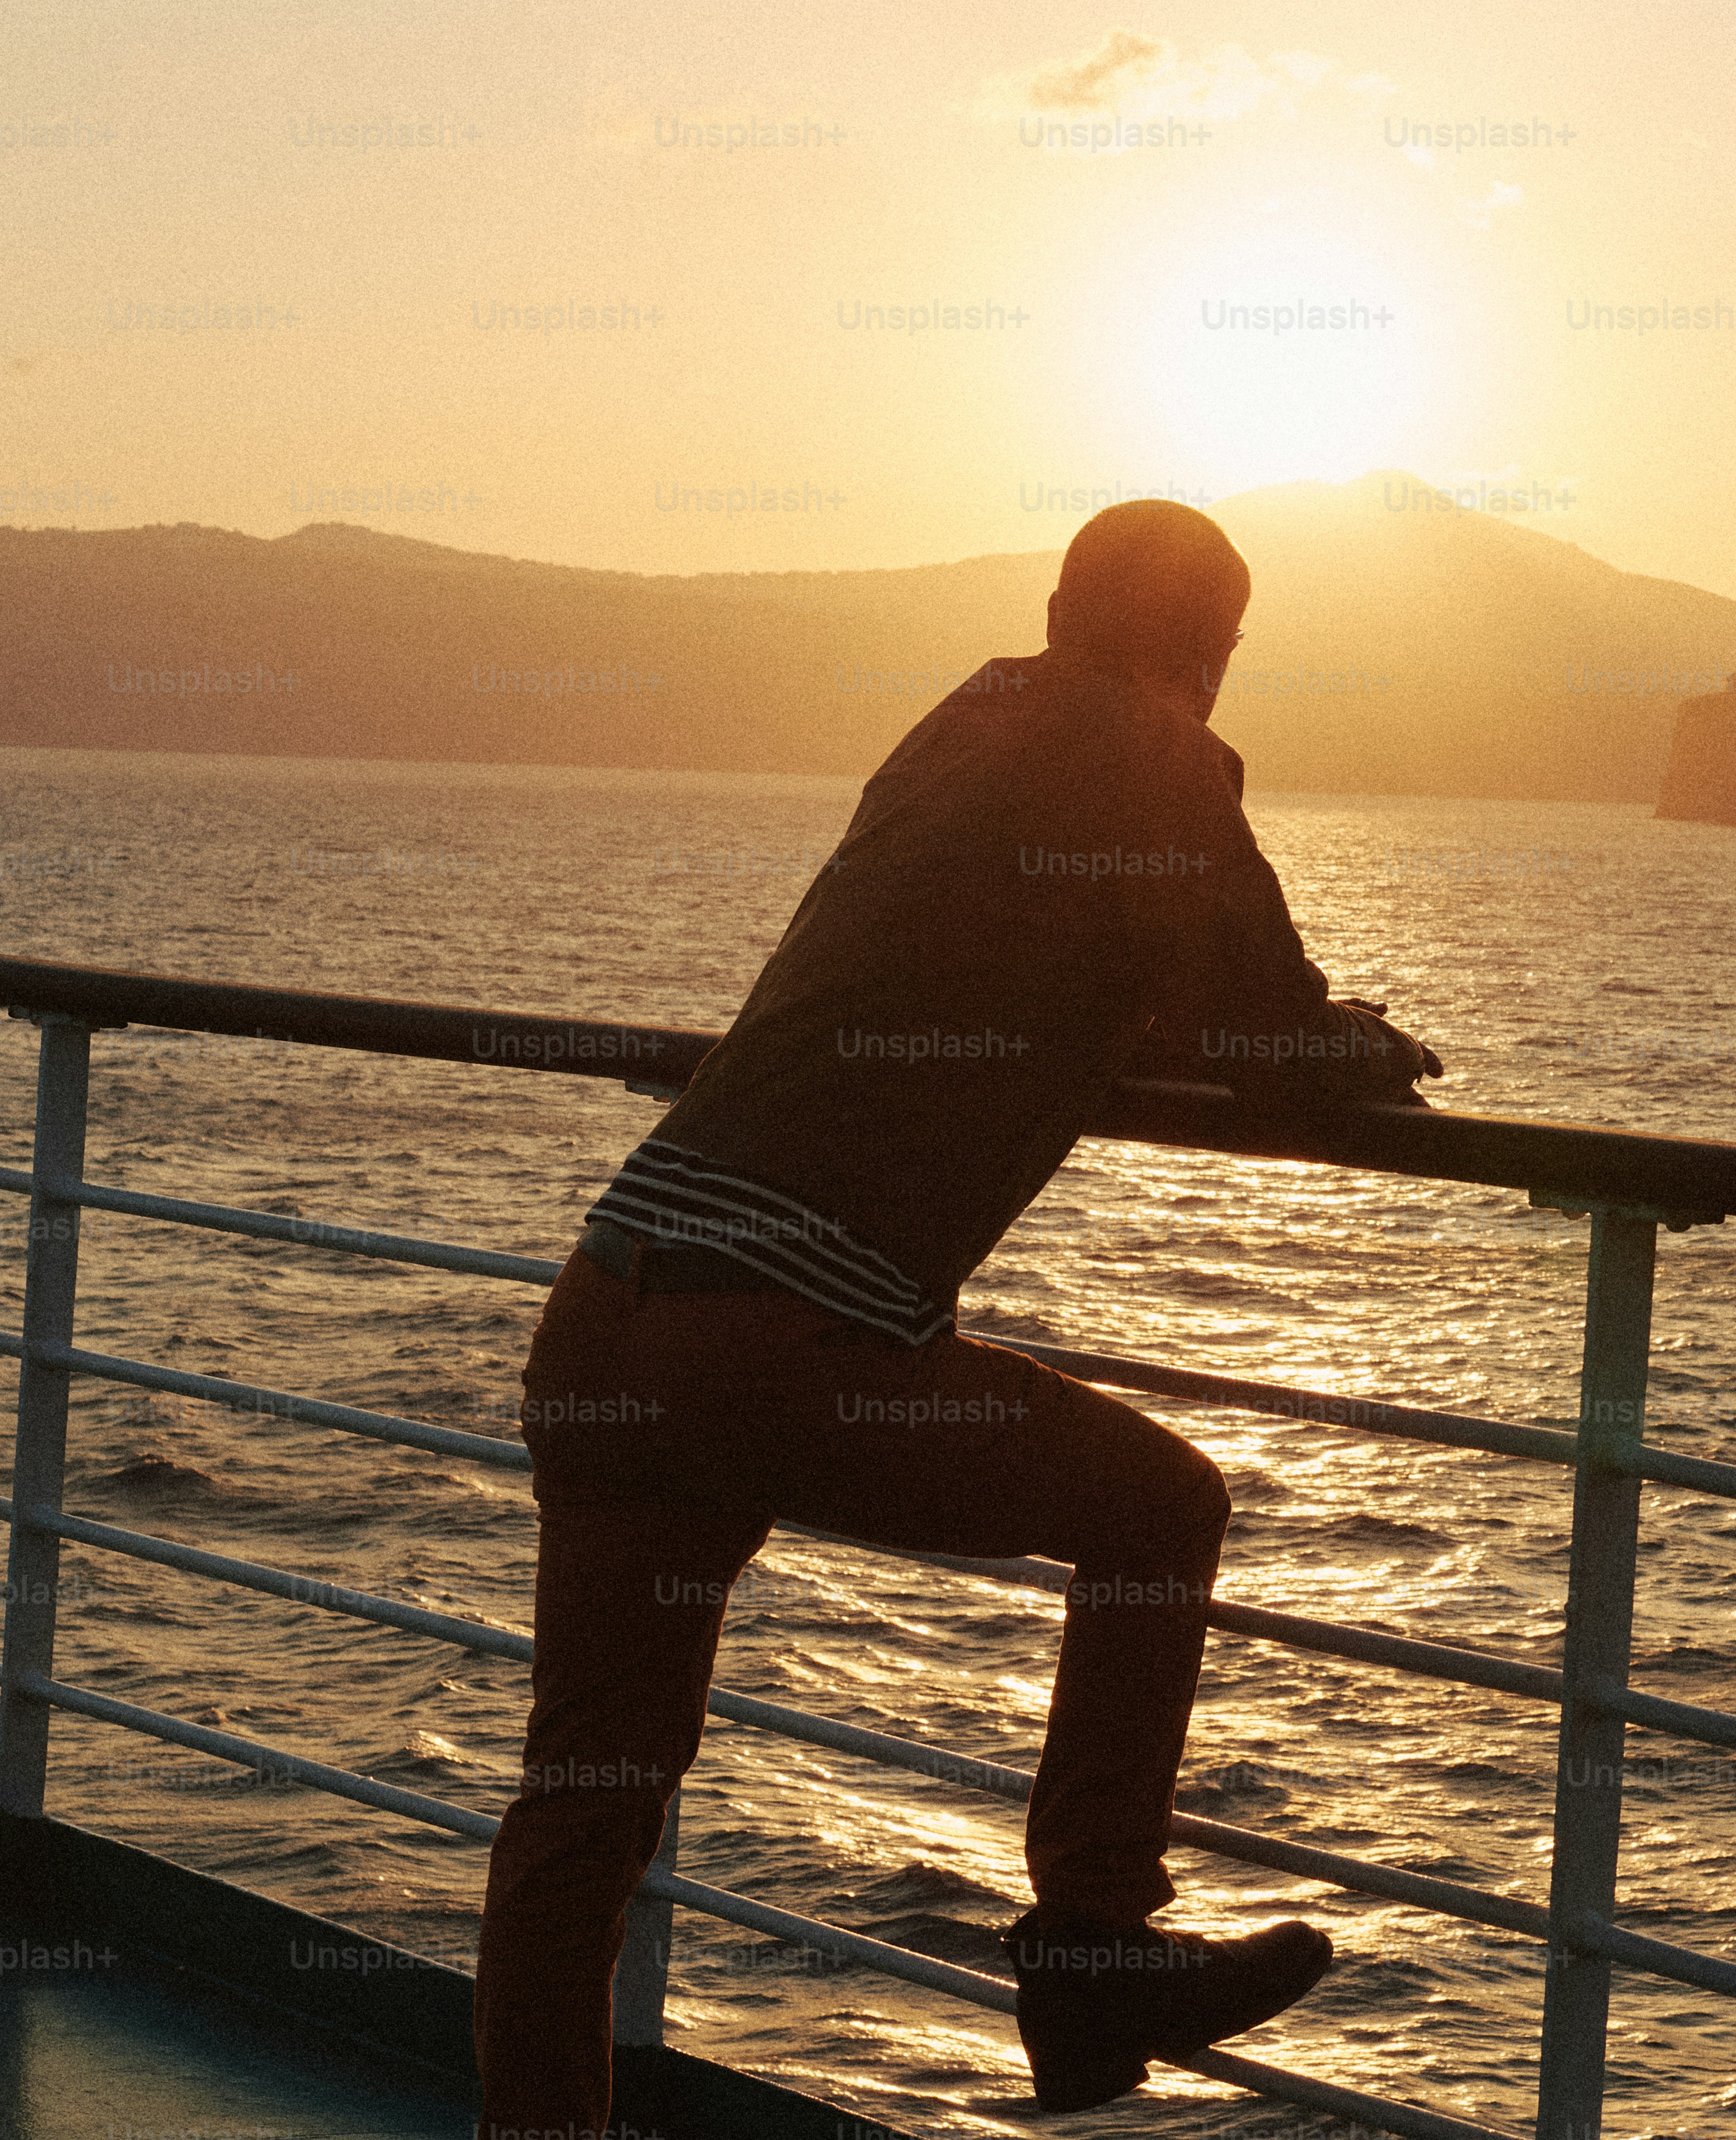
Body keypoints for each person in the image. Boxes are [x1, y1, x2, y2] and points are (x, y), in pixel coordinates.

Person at [474, 500, 1443, 2135]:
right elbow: (1263, 1036)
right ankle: (1089, 1944)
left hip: (612, 1310)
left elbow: (1002, 952)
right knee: (1159, 1510)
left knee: (584, 1809)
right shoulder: (1159, 754)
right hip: (785, 1342)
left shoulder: (965, 722)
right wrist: (1367, 1045)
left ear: (1059, 609)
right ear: (1212, 649)